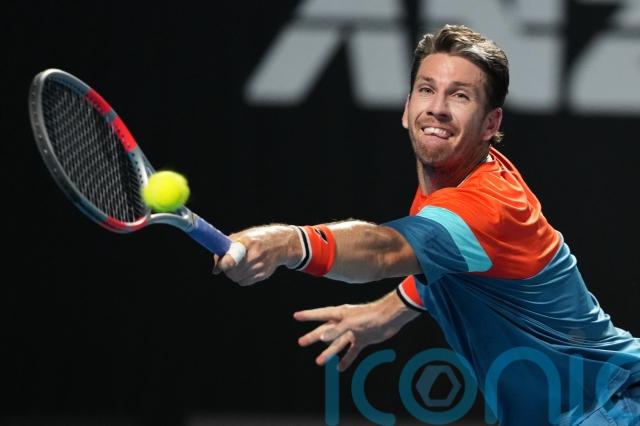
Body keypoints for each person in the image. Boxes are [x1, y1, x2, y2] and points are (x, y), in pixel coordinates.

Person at [213, 25, 640, 425]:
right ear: (406, 109)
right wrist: (388, 311)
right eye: (426, 89)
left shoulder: (484, 207)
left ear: (490, 124)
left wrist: (287, 242)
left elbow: (383, 250)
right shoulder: (458, 188)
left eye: (460, 96)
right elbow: (454, 264)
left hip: (612, 407)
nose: (437, 108)